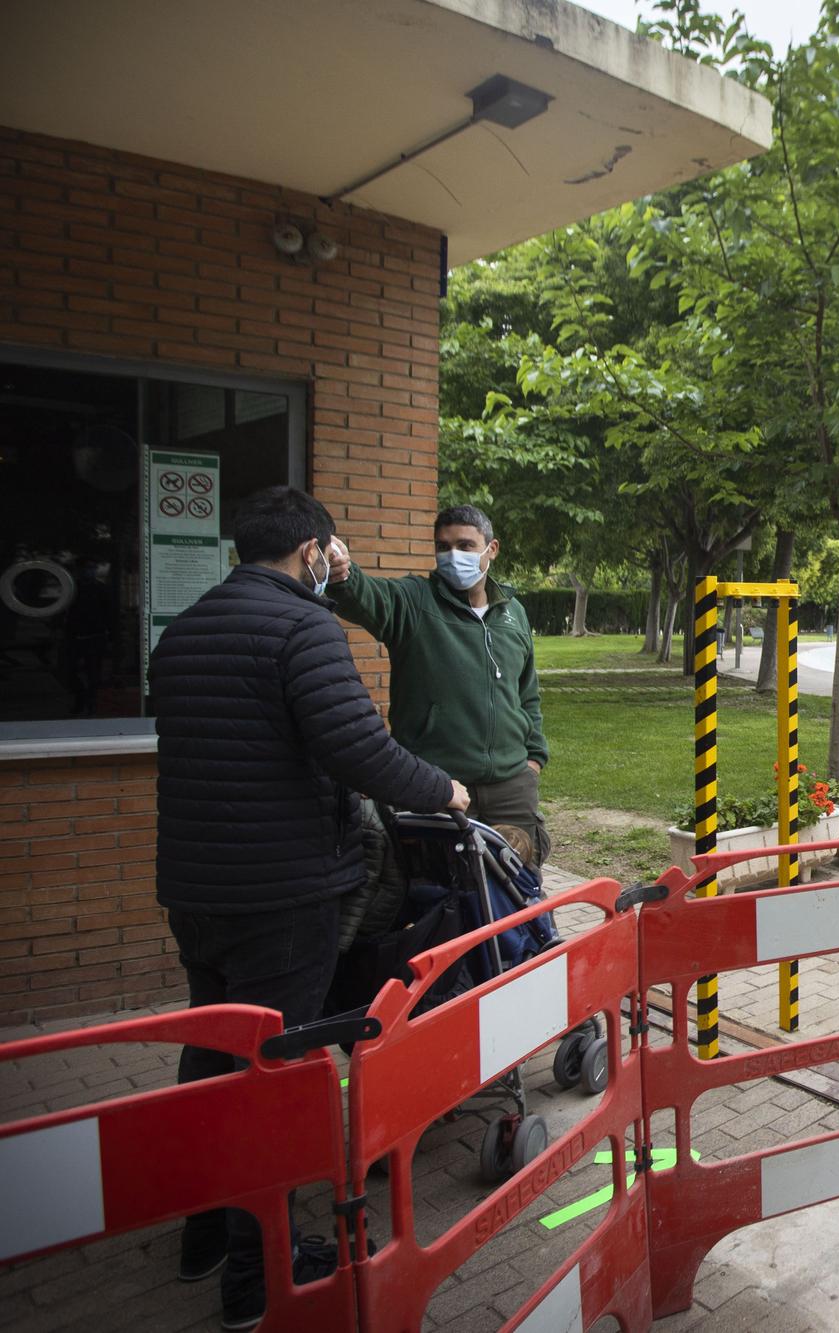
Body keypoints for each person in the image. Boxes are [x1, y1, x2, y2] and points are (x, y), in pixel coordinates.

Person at [152, 486, 468, 1331]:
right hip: (282, 895)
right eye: (332, 552)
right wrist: (443, 787)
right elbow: (357, 746)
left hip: (196, 888)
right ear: (312, 553)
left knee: (210, 1054)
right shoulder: (303, 627)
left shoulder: (183, 632)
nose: (336, 564)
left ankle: (203, 1236)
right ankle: (259, 1275)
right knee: (275, 1079)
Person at [326, 504, 550, 863]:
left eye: (465, 546)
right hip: (437, 786)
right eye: (443, 547)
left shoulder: (513, 612)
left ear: (491, 550)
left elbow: (527, 693)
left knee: (520, 892)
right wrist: (342, 576)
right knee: (442, 895)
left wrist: (534, 758)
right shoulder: (415, 601)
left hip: (512, 786)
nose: (452, 556)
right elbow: (365, 595)